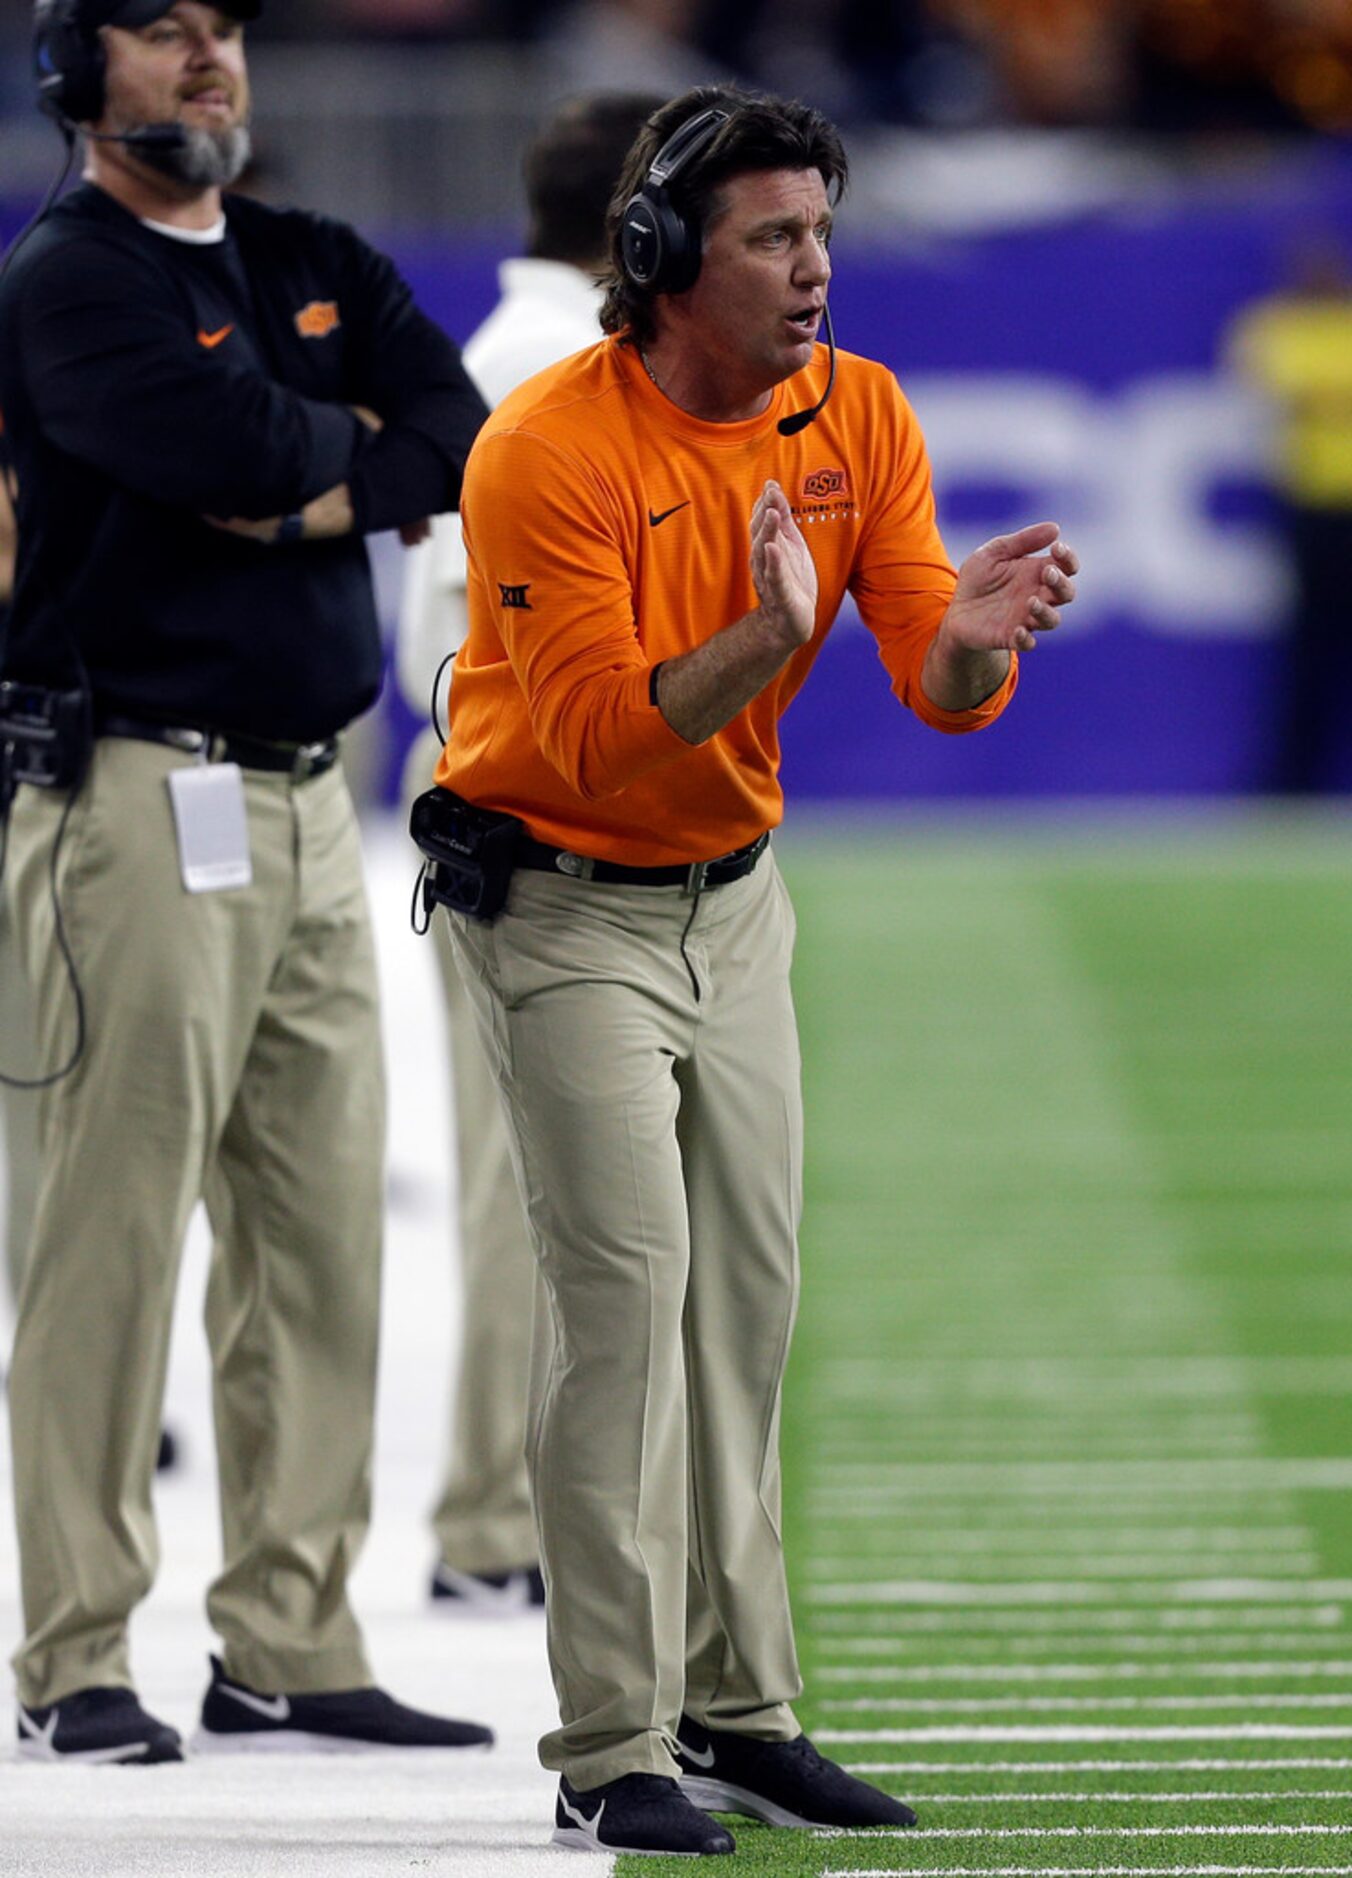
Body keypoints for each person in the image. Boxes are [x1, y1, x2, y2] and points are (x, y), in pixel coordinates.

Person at [429, 84, 1079, 1856]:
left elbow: (928, 676)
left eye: (820, 232)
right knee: (627, 1310)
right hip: (562, 905)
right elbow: (591, 742)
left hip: (736, 901)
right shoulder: (545, 448)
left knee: (750, 1312)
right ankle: (605, 1738)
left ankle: (739, 1707)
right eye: (773, 239)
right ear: (654, 258)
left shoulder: (852, 408)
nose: (813, 270)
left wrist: (964, 641)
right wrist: (762, 637)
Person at [0, 0, 493, 1764]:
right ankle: (70, 1649)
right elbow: (231, 449)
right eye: (161, 32)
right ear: (76, 74)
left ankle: (288, 1633)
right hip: (134, 792)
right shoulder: (69, 276)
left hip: (308, 804)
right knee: (108, 1240)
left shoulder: (308, 250)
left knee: (320, 1240)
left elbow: (454, 432)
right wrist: (333, 460)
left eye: (224, 30)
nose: (210, 61)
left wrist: (312, 484)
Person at [399, 89, 664, 1616]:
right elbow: (464, 638)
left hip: (529, 803)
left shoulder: (521, 354)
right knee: (533, 1180)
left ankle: (508, 1508)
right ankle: (494, 1517)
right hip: (537, 818)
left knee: (561, 1180)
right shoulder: (547, 370)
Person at [1225, 233, 1352, 794]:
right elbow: (1277, 381)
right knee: (1309, 652)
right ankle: (1292, 787)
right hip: (1316, 512)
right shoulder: (1278, 325)